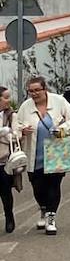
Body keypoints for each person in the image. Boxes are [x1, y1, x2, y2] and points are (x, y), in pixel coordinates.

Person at [15, 75, 70, 235]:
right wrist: (22, 131)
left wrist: (62, 129)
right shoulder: (25, 107)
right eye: (31, 91)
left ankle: (51, 217)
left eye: (37, 90)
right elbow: (16, 126)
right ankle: (43, 209)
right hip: (33, 155)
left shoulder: (59, 101)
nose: (34, 94)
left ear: (45, 89)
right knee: (38, 188)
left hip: (56, 154)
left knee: (54, 185)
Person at [0, 88, 22, 233]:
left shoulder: (11, 115)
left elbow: (16, 135)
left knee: (5, 191)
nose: (9, 100)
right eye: (6, 97)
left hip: (4, 161)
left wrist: (6, 134)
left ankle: (9, 216)